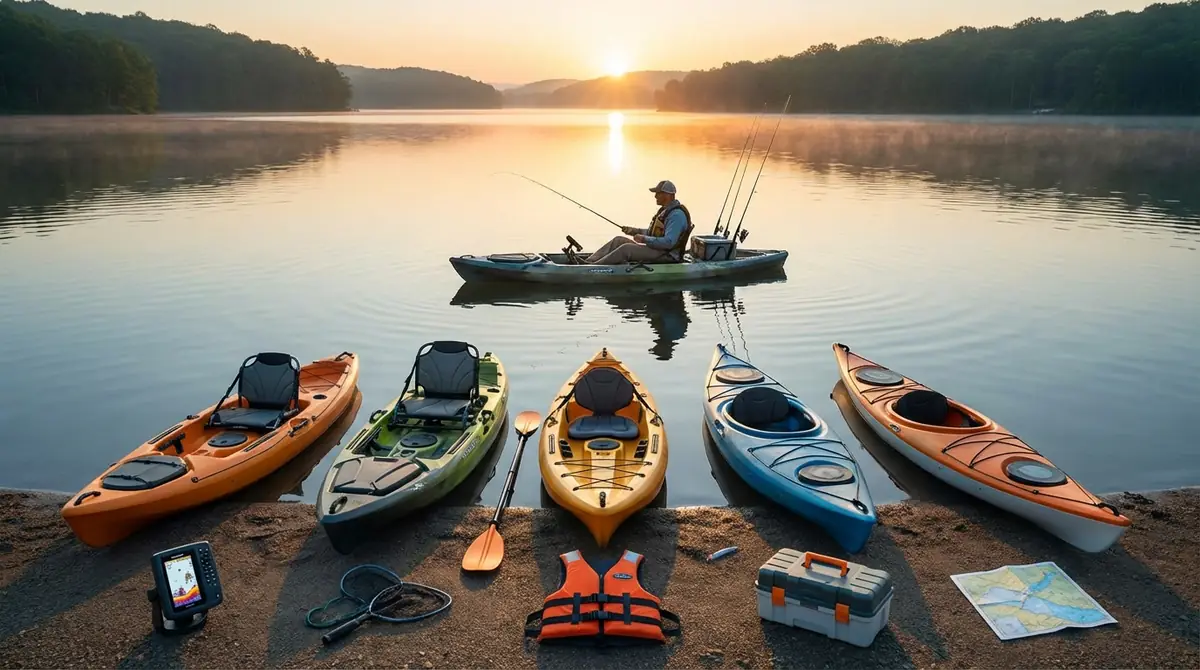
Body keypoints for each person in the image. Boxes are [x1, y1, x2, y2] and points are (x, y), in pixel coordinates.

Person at [584, 180, 691, 265]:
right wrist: (633, 231)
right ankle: (588, 262)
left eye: (658, 193)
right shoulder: (665, 211)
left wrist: (644, 239)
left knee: (626, 249)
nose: (655, 196)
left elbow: (669, 243)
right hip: (658, 250)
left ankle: (592, 268)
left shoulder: (676, 216)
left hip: (666, 255)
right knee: (618, 240)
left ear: (668, 195)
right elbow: (652, 233)